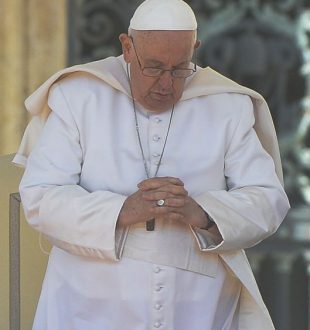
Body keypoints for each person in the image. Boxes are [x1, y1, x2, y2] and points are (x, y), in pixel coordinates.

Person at [14, 0, 290, 329]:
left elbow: (268, 200)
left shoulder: (227, 105)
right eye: (154, 67)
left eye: (179, 69)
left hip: (197, 308)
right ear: (127, 47)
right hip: (89, 305)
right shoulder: (80, 96)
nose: (165, 84)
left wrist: (201, 212)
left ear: (195, 49)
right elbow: (40, 196)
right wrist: (121, 211)